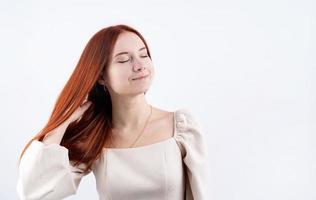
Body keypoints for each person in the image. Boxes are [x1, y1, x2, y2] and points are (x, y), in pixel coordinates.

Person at [16, 24, 209, 200]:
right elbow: (33, 193)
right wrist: (62, 123)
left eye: (144, 55)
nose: (139, 65)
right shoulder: (95, 138)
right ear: (101, 76)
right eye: (124, 59)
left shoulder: (181, 128)